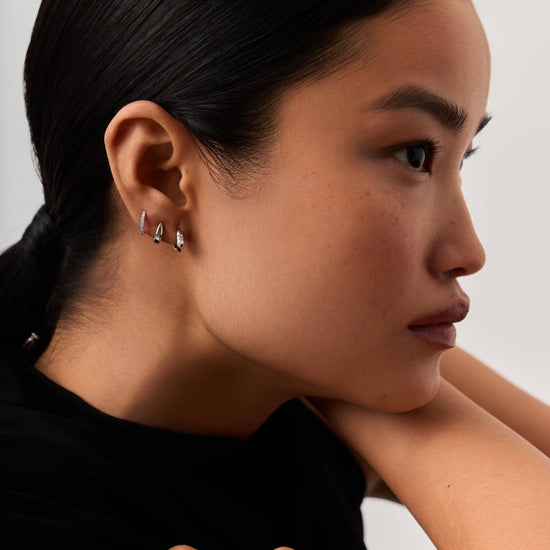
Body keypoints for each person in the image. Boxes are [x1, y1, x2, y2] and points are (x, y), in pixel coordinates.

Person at [1, 1, 550, 549]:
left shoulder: (309, 382)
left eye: (461, 160)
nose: (469, 251)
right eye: (413, 155)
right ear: (161, 173)